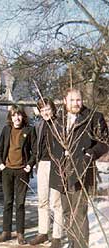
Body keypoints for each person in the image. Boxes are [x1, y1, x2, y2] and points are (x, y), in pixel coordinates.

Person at [50, 88, 108, 248]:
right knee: (67, 212)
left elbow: (104, 142)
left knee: (79, 213)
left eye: (78, 100)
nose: (76, 103)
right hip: (61, 172)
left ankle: (81, 245)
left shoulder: (93, 118)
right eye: (72, 100)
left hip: (80, 170)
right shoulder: (58, 120)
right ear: (64, 101)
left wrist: (91, 153)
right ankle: (72, 243)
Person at [0, 104, 36, 245]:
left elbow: (35, 152)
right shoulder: (6, 130)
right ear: (10, 117)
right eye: (14, 115)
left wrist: (29, 165)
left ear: (22, 117)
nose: (16, 118)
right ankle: (5, 232)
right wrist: (1, 163)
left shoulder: (29, 130)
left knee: (20, 203)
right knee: (7, 202)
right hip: (7, 171)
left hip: (21, 172)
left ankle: (20, 233)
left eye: (19, 115)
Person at [29, 98, 63, 248]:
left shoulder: (60, 124)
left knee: (56, 202)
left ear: (53, 109)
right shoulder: (39, 125)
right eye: (42, 110)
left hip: (57, 164)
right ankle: (43, 232)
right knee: (42, 201)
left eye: (47, 109)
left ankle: (57, 236)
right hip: (42, 164)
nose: (45, 112)